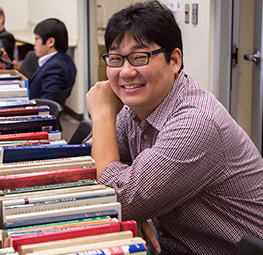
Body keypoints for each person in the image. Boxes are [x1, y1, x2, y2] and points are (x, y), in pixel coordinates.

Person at [85, 1, 263, 254]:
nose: (125, 71)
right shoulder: (133, 110)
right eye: (115, 59)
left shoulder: (197, 123)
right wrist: (134, 215)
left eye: (139, 57)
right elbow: (90, 169)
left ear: (175, 60)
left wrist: (102, 115)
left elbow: (117, 199)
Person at [29, 18, 77, 102]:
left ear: (50, 42)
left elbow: (47, 104)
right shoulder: (66, 59)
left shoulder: (55, 67)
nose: (34, 43)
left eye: (37, 39)